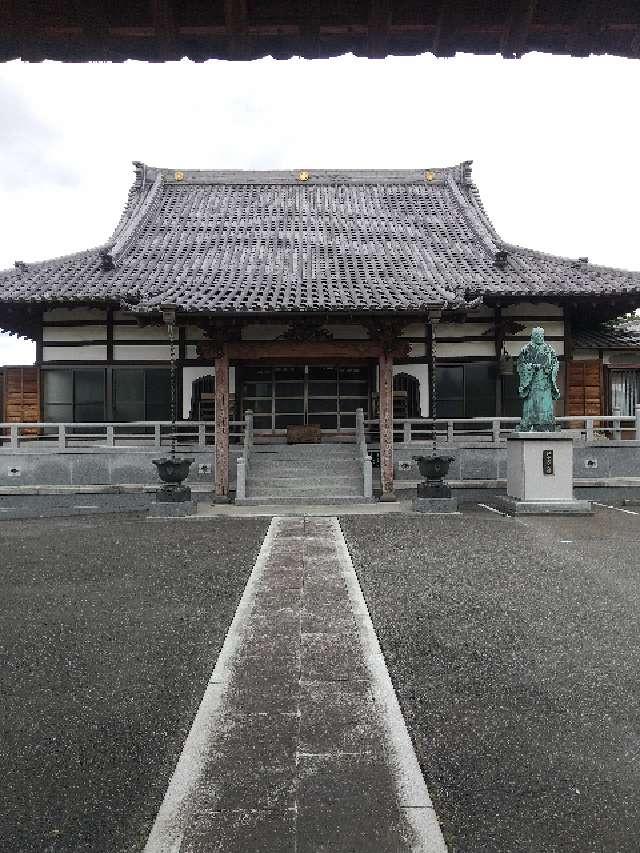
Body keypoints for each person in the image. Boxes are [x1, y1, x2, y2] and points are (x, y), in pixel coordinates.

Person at [516, 327, 559, 431]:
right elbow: (520, 366)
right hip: (532, 383)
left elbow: (556, 364)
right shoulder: (526, 349)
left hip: (545, 382)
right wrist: (530, 368)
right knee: (531, 405)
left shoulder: (549, 349)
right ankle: (529, 423)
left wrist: (550, 369)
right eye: (537, 336)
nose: (540, 338)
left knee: (546, 406)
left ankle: (547, 423)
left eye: (541, 336)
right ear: (532, 336)